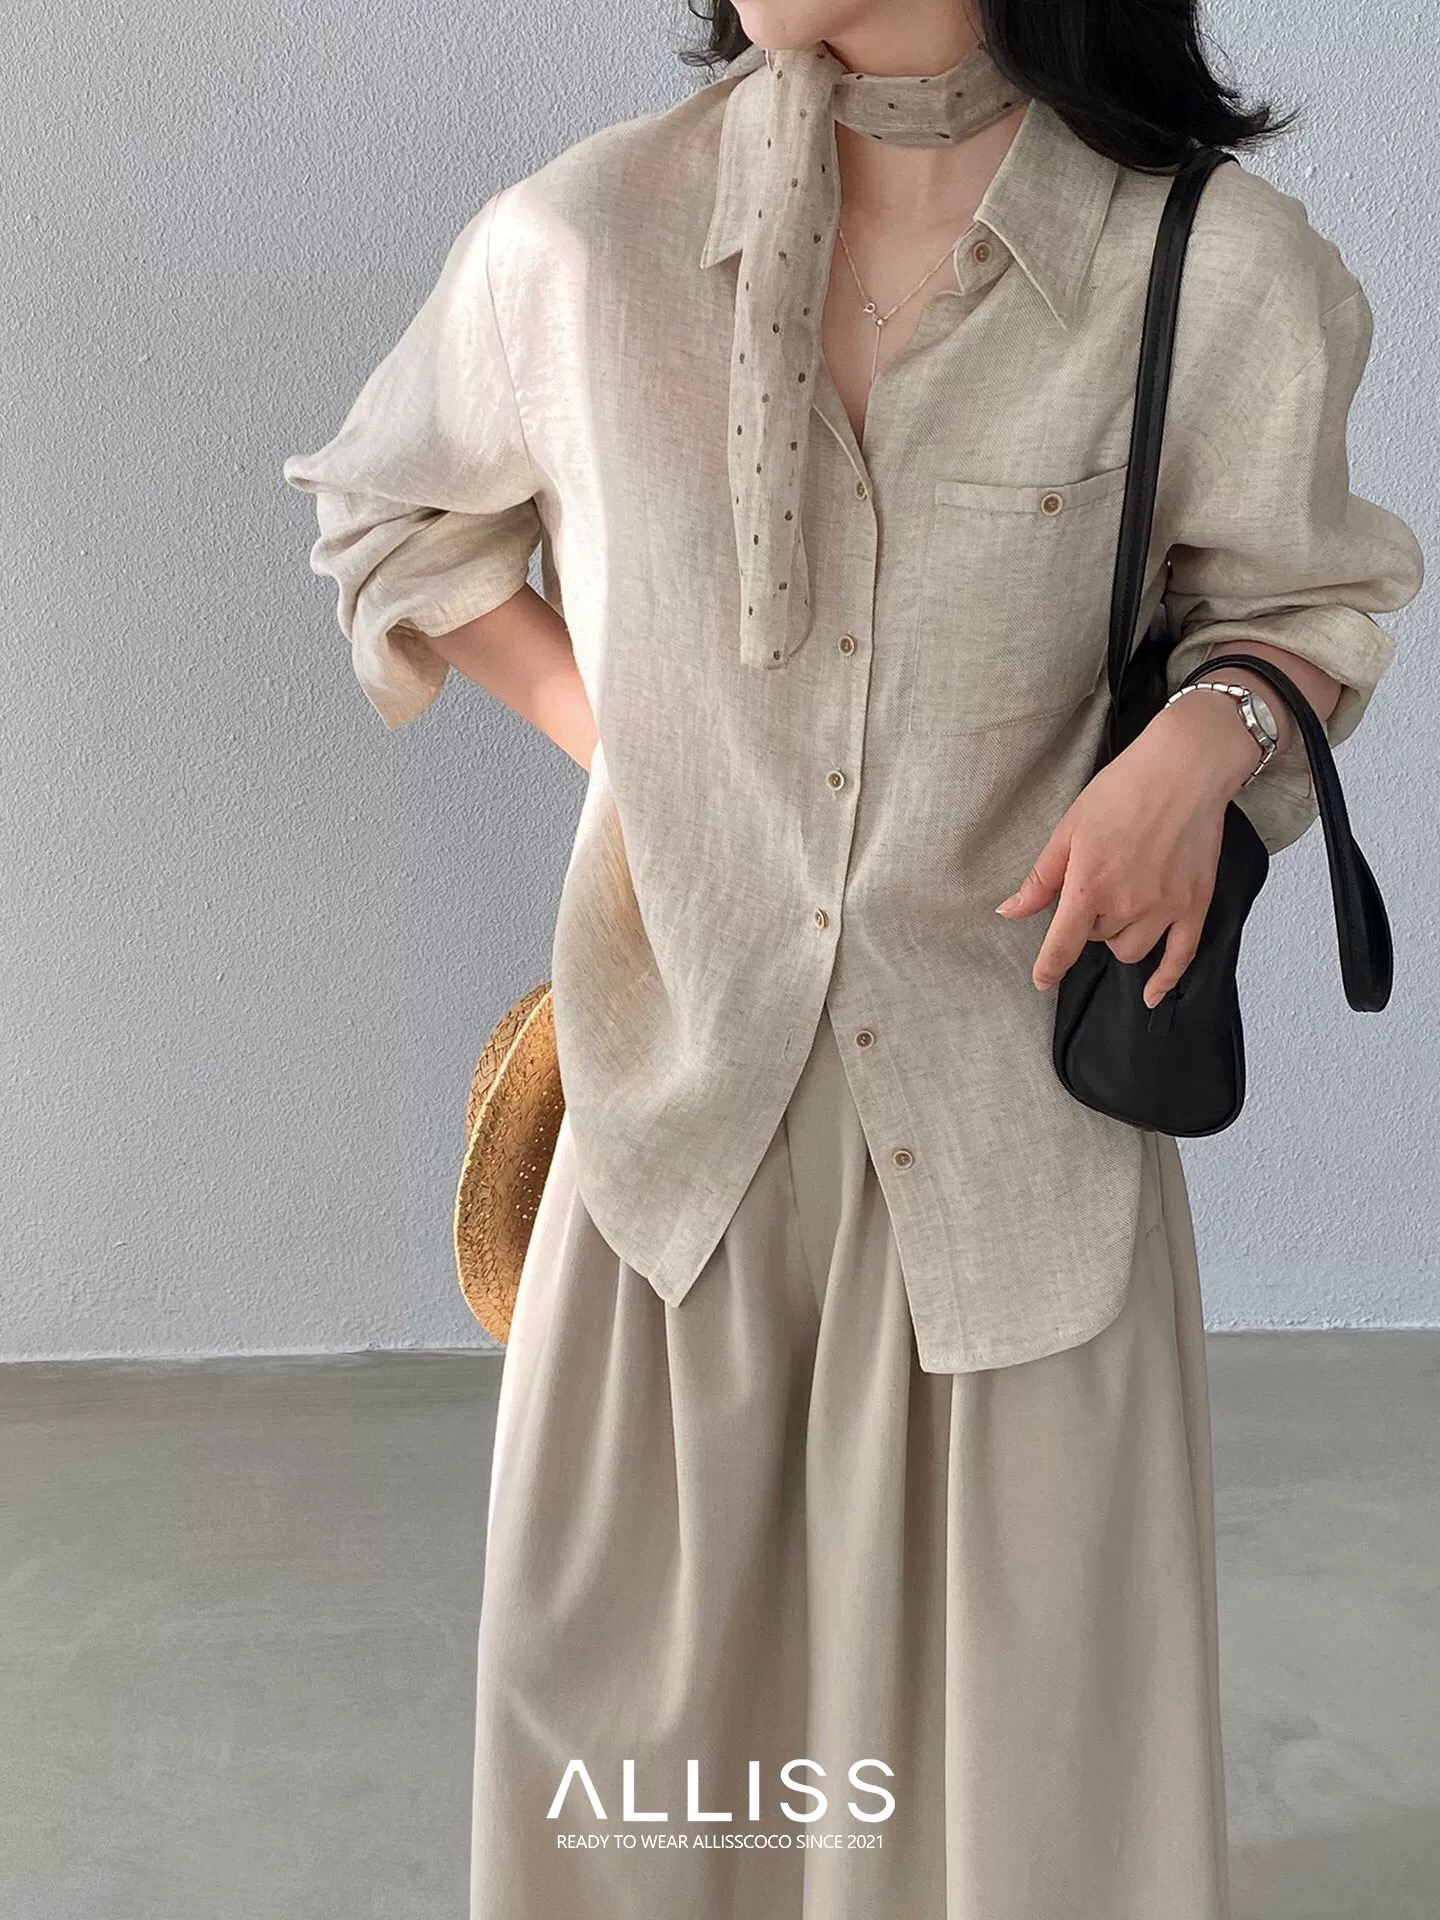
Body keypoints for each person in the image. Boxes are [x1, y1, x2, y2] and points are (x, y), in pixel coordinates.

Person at [282, 2, 1425, 1914]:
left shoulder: (1208, 268)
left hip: (1009, 1153)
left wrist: (1198, 746)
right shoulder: (591, 240)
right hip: (678, 1135)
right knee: (639, 1806)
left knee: (1026, 1803)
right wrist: (634, 752)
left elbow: (1305, 603)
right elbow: (391, 510)